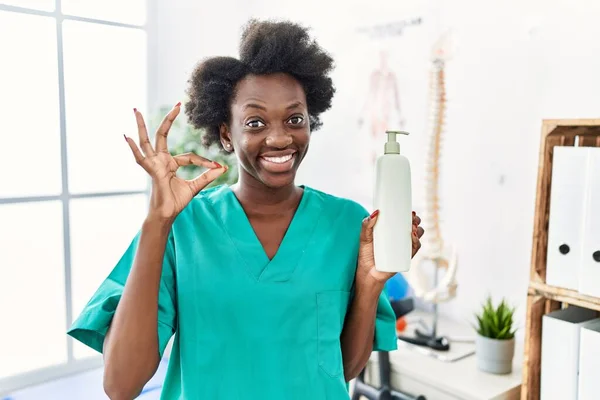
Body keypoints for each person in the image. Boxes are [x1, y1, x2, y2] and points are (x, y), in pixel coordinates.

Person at [67, 18, 424, 400]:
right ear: (226, 133)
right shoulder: (183, 227)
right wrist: (158, 222)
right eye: (255, 122)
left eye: (294, 119)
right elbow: (121, 385)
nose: (279, 137)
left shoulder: (348, 223)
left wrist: (370, 283)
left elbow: (343, 369)